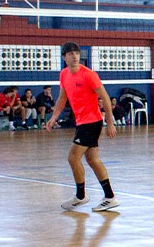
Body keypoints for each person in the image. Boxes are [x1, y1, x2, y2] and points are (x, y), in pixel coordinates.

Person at [45, 42, 120, 212]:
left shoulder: (89, 75)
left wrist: (110, 122)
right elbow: (62, 98)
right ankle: (110, 197)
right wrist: (54, 117)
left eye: (76, 53)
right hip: (81, 122)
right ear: (64, 57)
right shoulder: (64, 74)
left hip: (92, 121)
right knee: (92, 159)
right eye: (70, 54)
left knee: (73, 157)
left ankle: (80, 196)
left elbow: (105, 98)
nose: (74, 56)